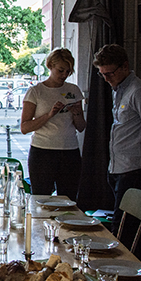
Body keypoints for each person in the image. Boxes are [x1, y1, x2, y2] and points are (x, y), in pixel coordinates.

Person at [93, 44, 141, 246]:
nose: (106, 79)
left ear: (124, 66)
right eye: (102, 74)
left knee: (123, 230)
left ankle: (125, 266)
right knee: (127, 228)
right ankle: (136, 263)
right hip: (119, 168)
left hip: (136, 168)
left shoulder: (140, 91)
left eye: (109, 73)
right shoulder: (119, 90)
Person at [20, 48, 86, 201]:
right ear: (50, 66)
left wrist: (76, 113)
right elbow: (25, 127)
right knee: (41, 199)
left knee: (68, 200)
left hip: (70, 151)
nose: (64, 75)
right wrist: (49, 115)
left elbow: (81, 127)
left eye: (68, 71)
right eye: (60, 70)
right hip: (42, 152)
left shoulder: (73, 90)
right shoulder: (36, 91)